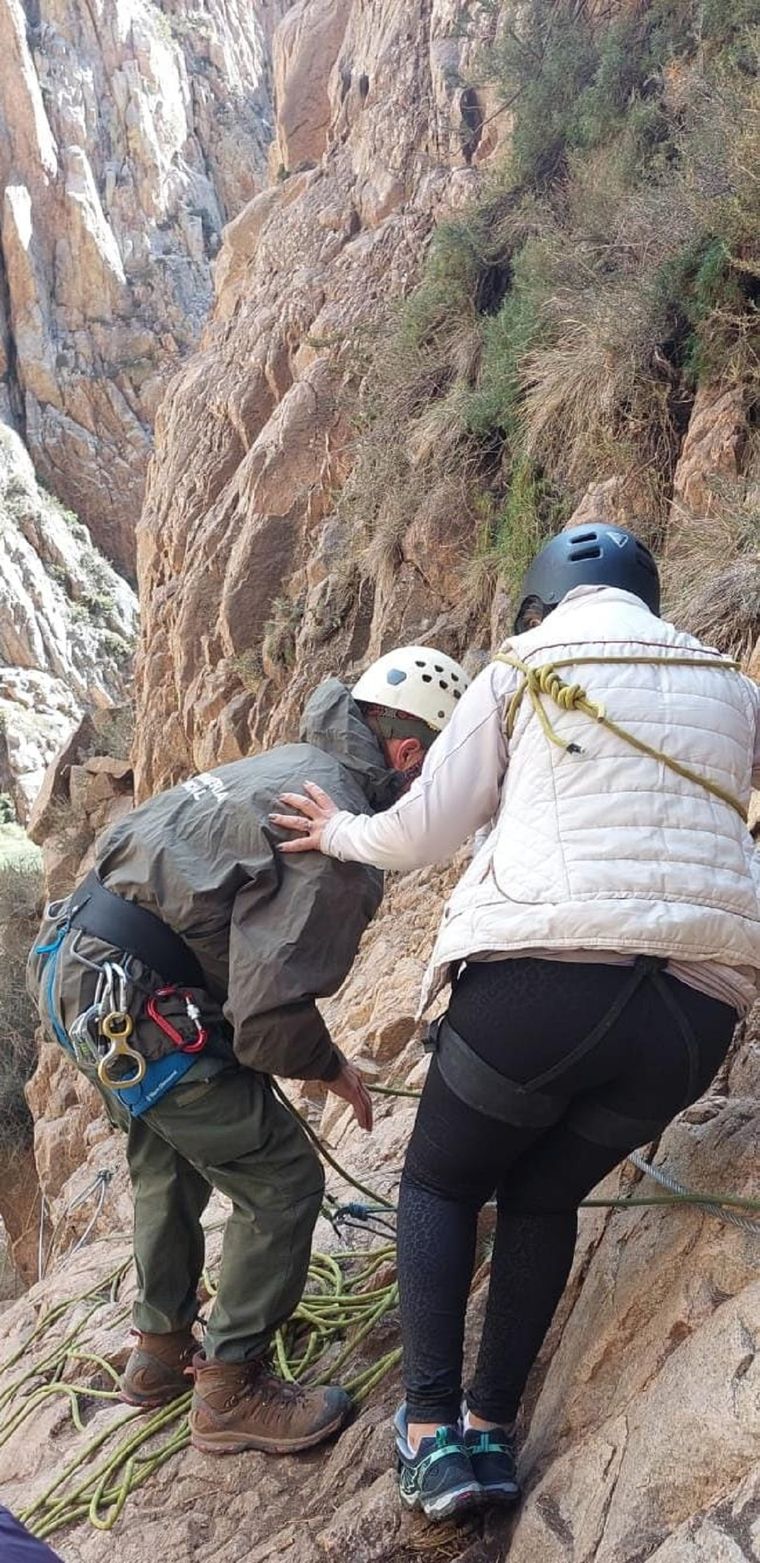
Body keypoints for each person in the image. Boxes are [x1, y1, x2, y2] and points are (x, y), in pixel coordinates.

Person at [271, 524, 760, 1519]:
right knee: (541, 1198)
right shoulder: (731, 684)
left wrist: (338, 831)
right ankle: (492, 1436)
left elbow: (422, 830)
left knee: (442, 1183)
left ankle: (429, 1432)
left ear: (541, 603)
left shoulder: (527, 662)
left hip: (540, 984)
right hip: (695, 1009)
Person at [27, 648, 468, 1458]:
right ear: (408, 754)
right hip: (138, 995)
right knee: (281, 1177)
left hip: (75, 961)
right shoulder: (335, 828)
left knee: (169, 1152)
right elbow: (267, 1014)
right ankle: (230, 1388)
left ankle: (159, 1353)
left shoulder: (294, 761)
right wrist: (330, 1065)